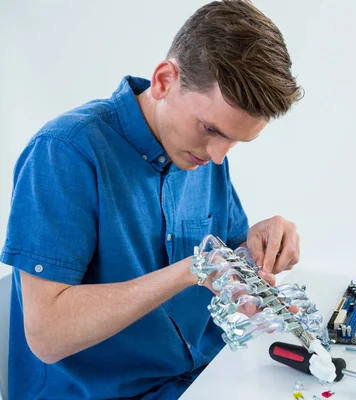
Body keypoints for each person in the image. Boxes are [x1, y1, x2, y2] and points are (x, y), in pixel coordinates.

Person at [0, 1, 303, 398]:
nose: (217, 156)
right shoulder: (65, 152)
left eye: (235, 140)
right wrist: (189, 270)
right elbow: (47, 334)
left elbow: (226, 257)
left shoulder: (201, 151)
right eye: (211, 129)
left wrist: (254, 246)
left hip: (205, 378)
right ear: (164, 80)